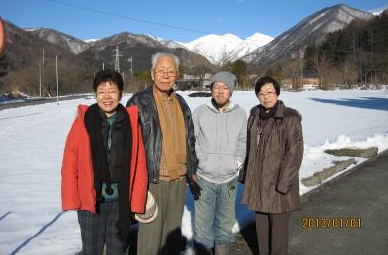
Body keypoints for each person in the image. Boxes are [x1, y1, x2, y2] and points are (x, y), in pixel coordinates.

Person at [61, 70, 148, 255]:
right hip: (90, 201)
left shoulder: (130, 123)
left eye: (112, 91)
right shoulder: (83, 121)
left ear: (121, 94)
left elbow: (139, 164)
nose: (107, 97)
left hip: (120, 201)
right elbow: (70, 163)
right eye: (101, 92)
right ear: (95, 95)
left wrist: (137, 200)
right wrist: (72, 199)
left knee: (117, 249)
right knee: (91, 249)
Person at [126, 52, 199, 255]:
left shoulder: (182, 103)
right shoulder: (138, 102)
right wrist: (134, 182)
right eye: (161, 71)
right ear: (152, 73)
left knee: (172, 238)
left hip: (178, 181)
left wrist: (191, 170)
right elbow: (128, 146)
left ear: (177, 75)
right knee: (150, 238)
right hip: (152, 181)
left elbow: (190, 140)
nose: (165, 75)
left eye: (170, 71)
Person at [240, 76, 304, 255]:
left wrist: (283, 184)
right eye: (261, 93)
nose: (266, 96)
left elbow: (295, 154)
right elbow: (250, 149)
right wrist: (246, 176)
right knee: (262, 237)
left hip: (278, 188)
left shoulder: (290, 118)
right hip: (259, 187)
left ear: (277, 93)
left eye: (270, 92)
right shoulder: (254, 117)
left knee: (278, 239)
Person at [193, 71, 247, 255]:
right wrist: (201, 162)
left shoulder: (240, 114)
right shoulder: (200, 111)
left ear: (231, 91)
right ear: (211, 89)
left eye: (225, 87)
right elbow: (192, 140)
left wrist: (237, 163)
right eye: (216, 87)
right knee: (203, 225)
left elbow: (243, 142)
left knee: (224, 225)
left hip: (229, 179)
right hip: (204, 177)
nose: (220, 91)